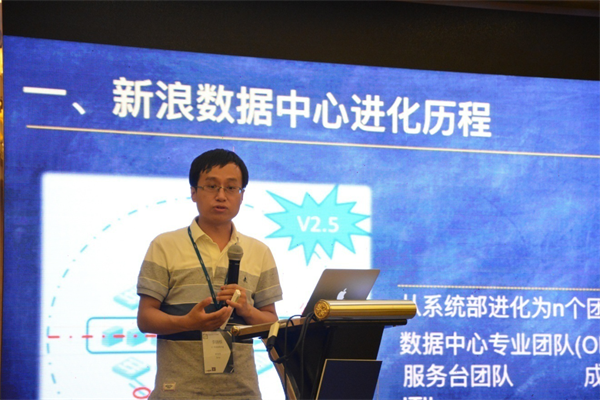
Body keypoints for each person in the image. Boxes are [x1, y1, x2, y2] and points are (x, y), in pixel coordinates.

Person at [137, 148, 283, 399]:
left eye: (231, 188)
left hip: (241, 392)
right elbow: (145, 318)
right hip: (179, 391)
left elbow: (272, 324)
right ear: (194, 192)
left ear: (242, 195)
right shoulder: (165, 245)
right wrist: (188, 323)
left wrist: (247, 310)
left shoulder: (259, 251)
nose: (221, 196)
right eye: (212, 186)